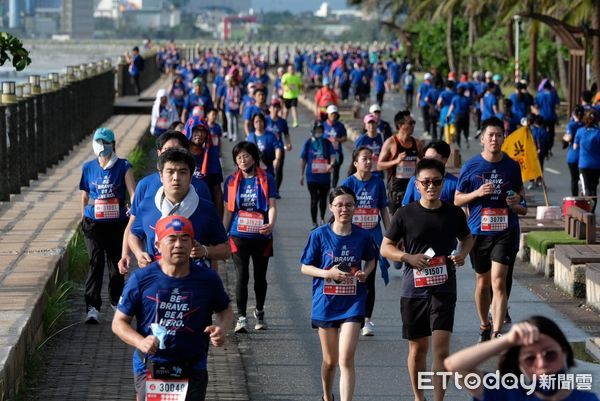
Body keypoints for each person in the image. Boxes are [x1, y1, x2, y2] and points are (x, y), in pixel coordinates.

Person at [381, 158, 474, 401]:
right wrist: (407, 257)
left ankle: (438, 399)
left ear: (443, 183)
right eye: (426, 182)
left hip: (444, 288)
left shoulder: (453, 213)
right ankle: (418, 396)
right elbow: (385, 247)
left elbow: (468, 238)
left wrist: (462, 254)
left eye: (436, 182)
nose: (431, 186)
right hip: (414, 290)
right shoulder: (405, 214)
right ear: (417, 184)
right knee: (418, 348)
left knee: (441, 350)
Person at [113, 215, 233, 401]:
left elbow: (225, 310)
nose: (179, 245)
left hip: (193, 366)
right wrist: (140, 342)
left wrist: (221, 329)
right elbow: (119, 323)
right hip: (150, 365)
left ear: (193, 244)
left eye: (185, 239)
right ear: (158, 245)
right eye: (172, 238)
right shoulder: (141, 279)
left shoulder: (208, 279)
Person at [300, 186, 377, 401]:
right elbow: (305, 267)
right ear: (331, 207)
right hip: (325, 303)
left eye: (349, 205)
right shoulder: (319, 235)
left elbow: (371, 259)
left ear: (355, 207)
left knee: (346, 359)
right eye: (340, 205)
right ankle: (327, 396)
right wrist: (327, 273)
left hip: (353, 302)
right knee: (331, 361)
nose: (345, 209)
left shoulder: (363, 235)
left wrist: (365, 273)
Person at [455, 117, 527, 342]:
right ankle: (484, 324)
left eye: (498, 135)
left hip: (506, 231)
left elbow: (521, 196)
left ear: (503, 137)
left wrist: (517, 202)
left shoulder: (512, 166)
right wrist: (477, 194)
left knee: (498, 280)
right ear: (482, 139)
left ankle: (497, 332)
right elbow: (457, 199)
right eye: (490, 135)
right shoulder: (472, 166)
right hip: (479, 231)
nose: (494, 139)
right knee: (482, 282)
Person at [118, 131, 212, 274]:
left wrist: (213, 275)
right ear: (159, 152)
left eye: (178, 150)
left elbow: (210, 236)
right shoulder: (145, 185)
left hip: (192, 269)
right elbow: (133, 226)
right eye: (167, 150)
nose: (172, 154)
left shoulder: (200, 188)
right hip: (155, 267)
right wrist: (130, 254)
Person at [444, 315, 599, 401]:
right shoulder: (506, 394)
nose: (542, 364)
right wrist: (507, 340)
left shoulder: (586, 400)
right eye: (530, 359)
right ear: (520, 365)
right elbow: (454, 366)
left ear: (564, 353)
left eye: (550, 354)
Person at [129, 148, 230, 268]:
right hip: (157, 278)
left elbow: (226, 250)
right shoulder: (147, 205)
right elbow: (134, 234)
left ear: (191, 176)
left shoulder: (206, 209)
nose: (176, 177)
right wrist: (139, 253)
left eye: (182, 172)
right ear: (161, 175)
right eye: (170, 172)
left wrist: (205, 250)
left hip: (194, 281)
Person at [80, 128, 136, 323]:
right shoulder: (88, 168)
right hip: (93, 223)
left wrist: (133, 210)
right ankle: (92, 307)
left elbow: (133, 192)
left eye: (106, 142)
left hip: (116, 222)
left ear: (113, 145)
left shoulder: (123, 166)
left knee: (115, 264)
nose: (102, 146)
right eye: (98, 142)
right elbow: (85, 195)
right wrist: (83, 217)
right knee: (96, 262)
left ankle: (115, 300)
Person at [223, 141, 277, 333]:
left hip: (262, 235)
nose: (242, 160)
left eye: (246, 156)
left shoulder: (267, 179)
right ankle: (242, 317)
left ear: (254, 157)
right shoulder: (230, 181)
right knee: (242, 276)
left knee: (260, 277)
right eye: (238, 158)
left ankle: (260, 312)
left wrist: (270, 225)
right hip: (238, 235)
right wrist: (224, 233)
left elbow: (271, 205)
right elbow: (228, 212)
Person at [342, 147, 391, 336]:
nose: (369, 162)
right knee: (350, 276)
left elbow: (384, 211)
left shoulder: (378, 183)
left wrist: (390, 235)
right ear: (356, 163)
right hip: (352, 237)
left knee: (368, 279)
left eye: (371, 158)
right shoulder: (348, 183)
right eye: (365, 158)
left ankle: (367, 321)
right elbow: (340, 211)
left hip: (373, 235)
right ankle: (349, 315)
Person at [377, 110, 422, 215]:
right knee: (396, 221)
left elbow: (424, 163)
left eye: (413, 122)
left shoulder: (417, 143)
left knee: (412, 219)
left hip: (413, 187)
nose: (413, 125)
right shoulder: (391, 143)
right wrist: (396, 161)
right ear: (400, 125)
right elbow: (379, 165)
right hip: (396, 189)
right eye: (410, 123)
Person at [301, 120, 335, 229]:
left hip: (324, 176)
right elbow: (304, 159)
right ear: (312, 131)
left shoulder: (327, 142)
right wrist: (301, 174)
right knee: (314, 199)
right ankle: (314, 222)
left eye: (320, 130)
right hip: (312, 177)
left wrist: (331, 164)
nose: (319, 132)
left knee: (323, 199)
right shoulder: (308, 143)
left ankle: (322, 218)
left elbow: (333, 155)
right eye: (317, 130)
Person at [184, 116, 224, 212]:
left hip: (205, 211)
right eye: (196, 130)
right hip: (183, 210)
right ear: (188, 130)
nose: (200, 134)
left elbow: (217, 190)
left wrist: (218, 220)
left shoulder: (212, 157)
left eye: (203, 131)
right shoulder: (179, 156)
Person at [402, 140, 459, 205]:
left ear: (444, 160)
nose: (427, 162)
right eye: (425, 158)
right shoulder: (415, 180)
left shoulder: (455, 183)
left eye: (432, 159)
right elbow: (405, 206)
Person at [574, 109, 600, 213]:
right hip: (597, 164)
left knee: (587, 188)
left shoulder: (580, 131)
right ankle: (592, 212)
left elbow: (575, 147)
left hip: (584, 164)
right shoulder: (598, 133)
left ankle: (587, 211)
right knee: (594, 188)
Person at [247, 112, 283, 179]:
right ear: (253, 124)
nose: (258, 123)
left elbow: (277, 148)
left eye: (260, 121)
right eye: (256, 122)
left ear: (264, 122)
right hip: (254, 169)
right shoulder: (250, 137)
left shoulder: (271, 136)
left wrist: (277, 159)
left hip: (268, 168)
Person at [266, 99, 292, 193]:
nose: (275, 109)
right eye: (273, 106)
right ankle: (267, 188)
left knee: (278, 169)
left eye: (277, 107)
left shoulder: (282, 122)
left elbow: (286, 134)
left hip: (279, 148)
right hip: (267, 148)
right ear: (269, 108)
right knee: (268, 169)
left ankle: (276, 190)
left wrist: (288, 143)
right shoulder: (265, 120)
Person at [323, 105, 348, 187]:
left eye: (335, 114)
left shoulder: (340, 126)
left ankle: (333, 188)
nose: (333, 116)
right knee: (325, 171)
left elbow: (345, 138)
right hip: (325, 153)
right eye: (331, 114)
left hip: (337, 153)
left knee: (335, 171)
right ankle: (325, 187)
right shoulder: (323, 125)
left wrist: (337, 140)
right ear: (328, 115)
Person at [354, 114, 384, 180]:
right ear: (365, 126)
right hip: (365, 172)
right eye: (369, 123)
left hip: (378, 172)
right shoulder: (361, 140)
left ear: (377, 124)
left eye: (373, 123)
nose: (371, 125)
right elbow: (355, 156)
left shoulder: (382, 137)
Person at [563, 105, 585, 196]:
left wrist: (564, 137)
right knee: (584, 180)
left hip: (573, 155)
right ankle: (585, 196)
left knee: (574, 179)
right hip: (584, 156)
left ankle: (575, 199)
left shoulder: (571, 125)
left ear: (573, 114)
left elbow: (569, 137)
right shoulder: (585, 125)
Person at [224, 74, 242, 142]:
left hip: (236, 106)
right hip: (228, 106)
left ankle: (235, 135)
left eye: (235, 81)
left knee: (235, 121)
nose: (234, 83)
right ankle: (230, 135)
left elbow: (240, 97)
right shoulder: (227, 88)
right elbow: (225, 97)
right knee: (229, 121)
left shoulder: (238, 88)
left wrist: (238, 102)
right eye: (232, 81)